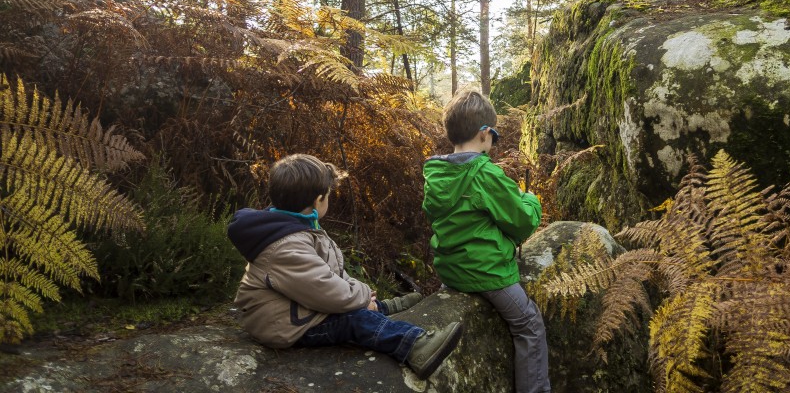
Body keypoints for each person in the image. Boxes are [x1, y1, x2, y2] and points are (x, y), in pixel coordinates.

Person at [227, 153, 463, 380]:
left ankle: (377, 307)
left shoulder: (295, 226)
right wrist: (360, 295)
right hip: (284, 325)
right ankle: (416, 345)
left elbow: (328, 271)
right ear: (318, 200)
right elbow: (327, 291)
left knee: (355, 306)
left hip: (297, 306)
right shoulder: (285, 246)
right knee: (354, 321)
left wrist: (357, 291)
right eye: (328, 195)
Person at [422, 90, 550, 393]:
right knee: (529, 325)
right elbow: (521, 223)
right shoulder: (484, 174)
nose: (494, 139)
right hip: (487, 273)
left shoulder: (435, 172)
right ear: (483, 134)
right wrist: (531, 201)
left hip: (451, 272)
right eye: (494, 133)